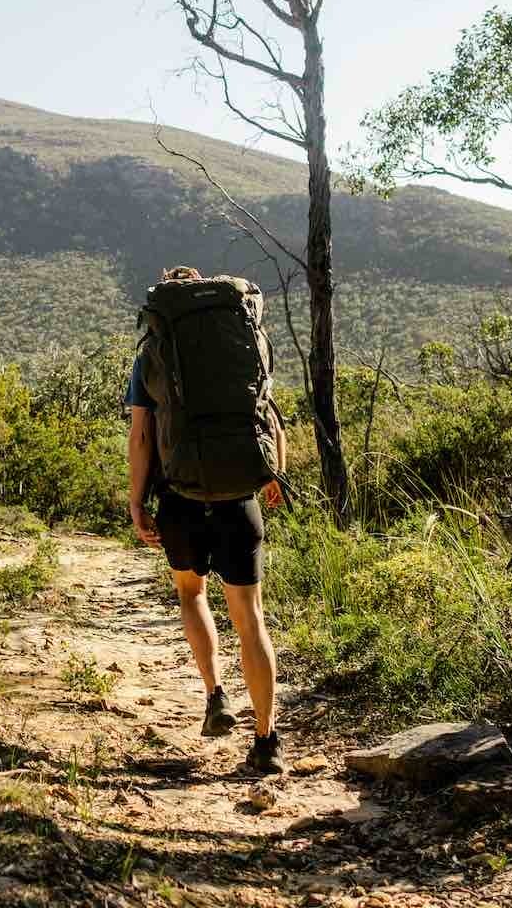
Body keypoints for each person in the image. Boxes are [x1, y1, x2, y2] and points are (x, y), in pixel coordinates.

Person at [127, 267, 288, 775]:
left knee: (191, 594)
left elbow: (142, 437)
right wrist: (273, 474)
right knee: (251, 617)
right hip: (240, 496)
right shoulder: (241, 336)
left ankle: (216, 695)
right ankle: (267, 740)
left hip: (181, 498)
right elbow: (269, 414)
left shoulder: (154, 350)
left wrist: (136, 502)